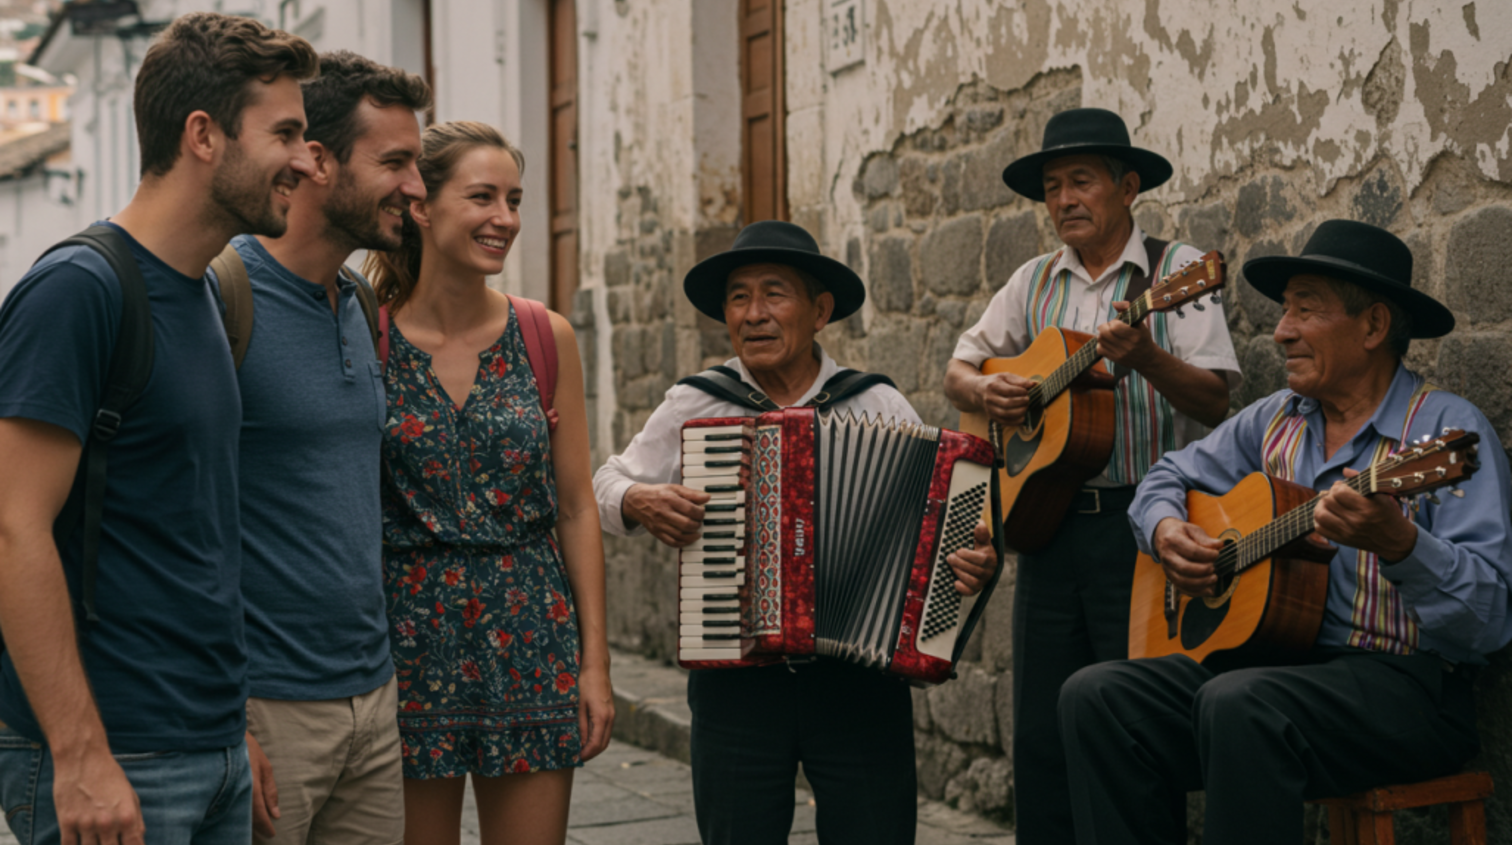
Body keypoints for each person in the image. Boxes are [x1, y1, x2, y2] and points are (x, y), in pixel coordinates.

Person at [1059, 219, 1512, 845]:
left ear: (1375, 326)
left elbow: (1487, 625)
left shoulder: (1445, 434)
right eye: (1285, 309)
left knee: (1240, 703)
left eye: (1306, 310)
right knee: (1096, 695)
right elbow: (1167, 474)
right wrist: (1165, 530)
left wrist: (1401, 546)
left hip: (1406, 690)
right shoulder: (1275, 418)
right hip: (1277, 667)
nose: (1281, 331)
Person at [0, 13, 317, 845]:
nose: (304, 159)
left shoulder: (209, 293)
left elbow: (197, 531)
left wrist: (231, 730)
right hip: (113, 758)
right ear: (204, 135)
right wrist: (77, 753)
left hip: (208, 746)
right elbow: (10, 528)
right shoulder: (79, 289)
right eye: (284, 132)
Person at [593, 220, 1001, 845]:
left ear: (819, 311)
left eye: (774, 293)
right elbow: (604, 483)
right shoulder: (696, 403)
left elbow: (953, 542)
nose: (753, 314)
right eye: (738, 297)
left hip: (858, 687)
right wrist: (638, 497)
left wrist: (973, 563)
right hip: (736, 682)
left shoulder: (878, 406)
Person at [941, 107, 1240, 844]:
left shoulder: (1177, 273)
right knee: (1041, 735)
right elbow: (960, 368)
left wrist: (1144, 356)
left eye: (1081, 182)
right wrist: (987, 392)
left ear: (1127, 185)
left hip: (1143, 530)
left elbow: (1214, 398)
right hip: (1043, 526)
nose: (1065, 200)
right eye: (1052, 187)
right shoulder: (1033, 280)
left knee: (1131, 729)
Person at [364, 121, 614, 845]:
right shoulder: (366, 335)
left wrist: (593, 664)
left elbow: (574, 508)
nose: (504, 219)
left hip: (533, 632)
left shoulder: (545, 334)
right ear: (421, 206)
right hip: (408, 638)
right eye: (482, 197)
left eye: (514, 199)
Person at [212, 51, 430, 844]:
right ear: (316, 159)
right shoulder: (221, 295)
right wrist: (225, 714)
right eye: (396, 162)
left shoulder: (359, 300)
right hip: (267, 709)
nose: (416, 186)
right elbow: (176, 513)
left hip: (372, 701)